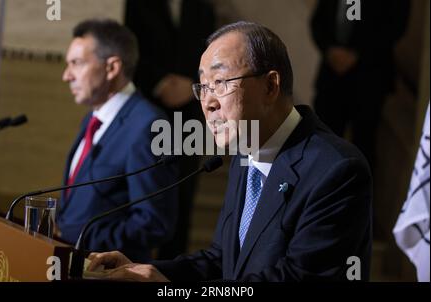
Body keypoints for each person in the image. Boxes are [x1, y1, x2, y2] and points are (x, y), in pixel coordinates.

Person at [87, 21, 372, 281]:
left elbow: (297, 278)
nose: (208, 102)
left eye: (220, 83)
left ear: (271, 86)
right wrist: (145, 270)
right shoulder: (244, 155)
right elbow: (222, 261)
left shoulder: (337, 170)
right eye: (203, 86)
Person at [57, 19, 179, 262]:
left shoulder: (148, 125)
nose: (66, 76)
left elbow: (153, 222)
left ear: (112, 68)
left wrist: (80, 239)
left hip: (106, 271)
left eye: (77, 64)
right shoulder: (93, 119)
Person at [124, 0, 216, 259]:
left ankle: (170, 269)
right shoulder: (137, 4)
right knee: (141, 190)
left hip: (189, 112)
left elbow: (213, 57)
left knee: (182, 196)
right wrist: (160, 83)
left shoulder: (203, 7)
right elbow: (131, 52)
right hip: (147, 109)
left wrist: (192, 85)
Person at [310, 0, 410, 169]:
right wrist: (330, 49)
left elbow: (395, 27)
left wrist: (357, 54)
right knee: (322, 140)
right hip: (332, 78)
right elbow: (318, 20)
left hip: (368, 80)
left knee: (362, 145)